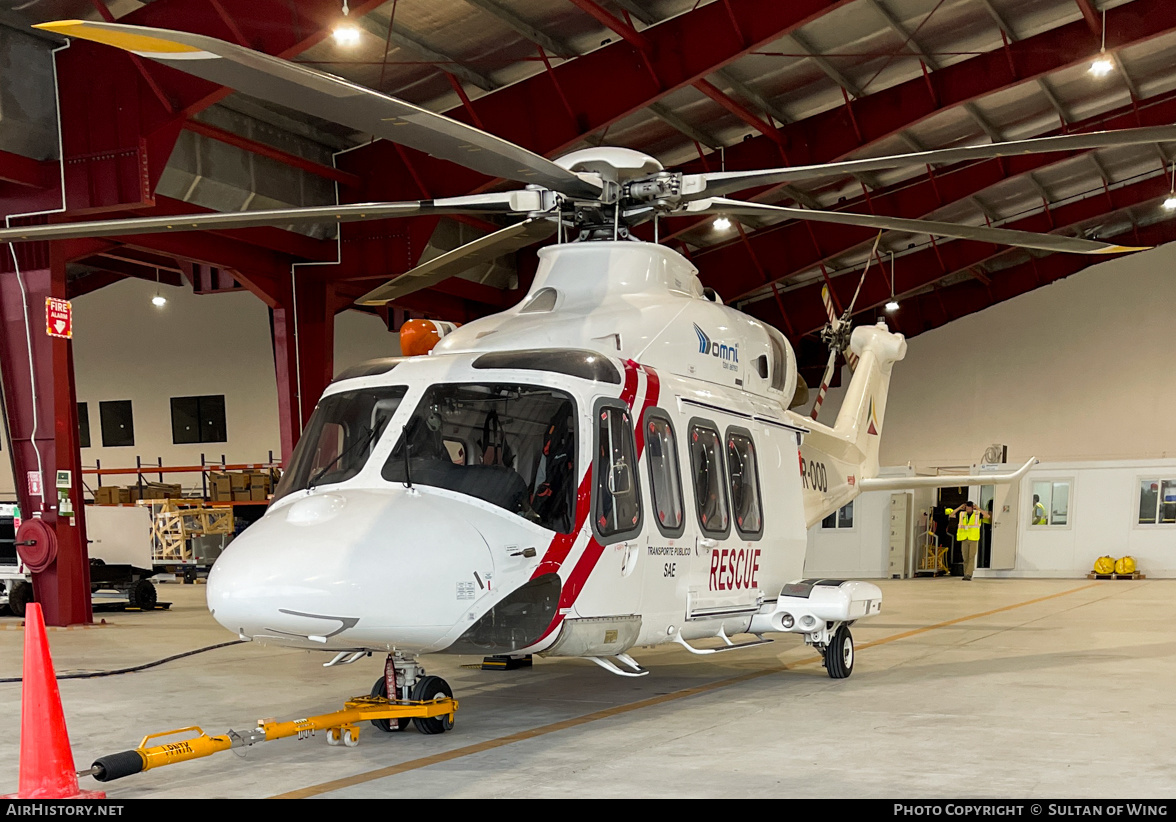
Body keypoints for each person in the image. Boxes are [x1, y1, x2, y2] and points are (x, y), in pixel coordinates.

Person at [947, 500, 991, 580]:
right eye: (967, 509)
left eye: (969, 509)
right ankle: (965, 573)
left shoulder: (977, 514)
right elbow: (951, 514)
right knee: (965, 557)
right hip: (964, 538)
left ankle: (968, 574)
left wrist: (978, 509)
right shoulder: (962, 514)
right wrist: (960, 507)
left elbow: (987, 516)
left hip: (973, 538)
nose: (968, 510)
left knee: (971, 556)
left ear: (972, 508)